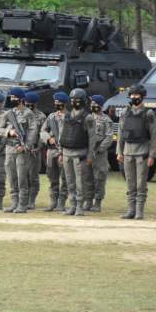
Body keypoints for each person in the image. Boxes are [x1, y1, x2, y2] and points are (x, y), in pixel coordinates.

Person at [116, 84, 156, 220]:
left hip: (142, 154)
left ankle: (139, 211)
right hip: (127, 153)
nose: (134, 97)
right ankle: (131, 210)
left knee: (141, 184)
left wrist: (152, 155)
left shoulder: (148, 113)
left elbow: (153, 135)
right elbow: (120, 133)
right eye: (132, 95)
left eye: (137, 95)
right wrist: (119, 152)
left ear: (142, 96)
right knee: (130, 183)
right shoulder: (125, 112)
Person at [58, 88, 96, 216]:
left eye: (78, 100)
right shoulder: (67, 116)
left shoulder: (88, 117)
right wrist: (61, 152)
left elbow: (92, 138)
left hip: (80, 155)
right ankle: (72, 205)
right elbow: (62, 134)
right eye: (73, 99)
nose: (75, 102)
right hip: (67, 153)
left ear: (83, 101)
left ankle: (80, 206)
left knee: (80, 183)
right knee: (70, 182)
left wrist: (90, 156)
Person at [0, 88, 38, 213]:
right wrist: (8, 132)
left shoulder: (28, 113)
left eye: (14, 97)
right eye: (11, 97)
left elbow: (33, 131)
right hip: (9, 149)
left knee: (22, 178)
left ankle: (22, 204)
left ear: (21, 99)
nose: (12, 99)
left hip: (22, 150)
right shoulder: (8, 113)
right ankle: (14, 203)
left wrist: (26, 146)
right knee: (12, 177)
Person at [40, 92, 69, 212]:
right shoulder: (51, 117)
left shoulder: (70, 117)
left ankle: (61, 203)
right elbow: (43, 131)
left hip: (65, 151)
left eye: (59, 102)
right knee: (52, 178)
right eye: (55, 102)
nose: (56, 104)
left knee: (65, 178)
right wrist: (48, 138)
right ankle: (53, 202)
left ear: (64, 103)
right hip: (52, 151)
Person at [88, 95, 114, 212]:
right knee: (87, 178)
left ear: (100, 105)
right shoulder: (87, 118)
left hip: (99, 153)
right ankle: (88, 201)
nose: (92, 105)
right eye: (91, 103)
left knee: (99, 178)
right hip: (87, 152)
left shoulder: (106, 120)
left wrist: (99, 149)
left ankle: (97, 202)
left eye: (94, 103)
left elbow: (109, 137)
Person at [24, 91, 45, 209]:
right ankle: (23, 199)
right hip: (22, 148)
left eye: (30, 103)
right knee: (22, 176)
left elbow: (43, 133)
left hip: (34, 150)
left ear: (36, 104)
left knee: (33, 176)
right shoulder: (21, 114)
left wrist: (39, 147)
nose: (28, 105)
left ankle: (31, 200)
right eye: (26, 103)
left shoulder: (41, 117)